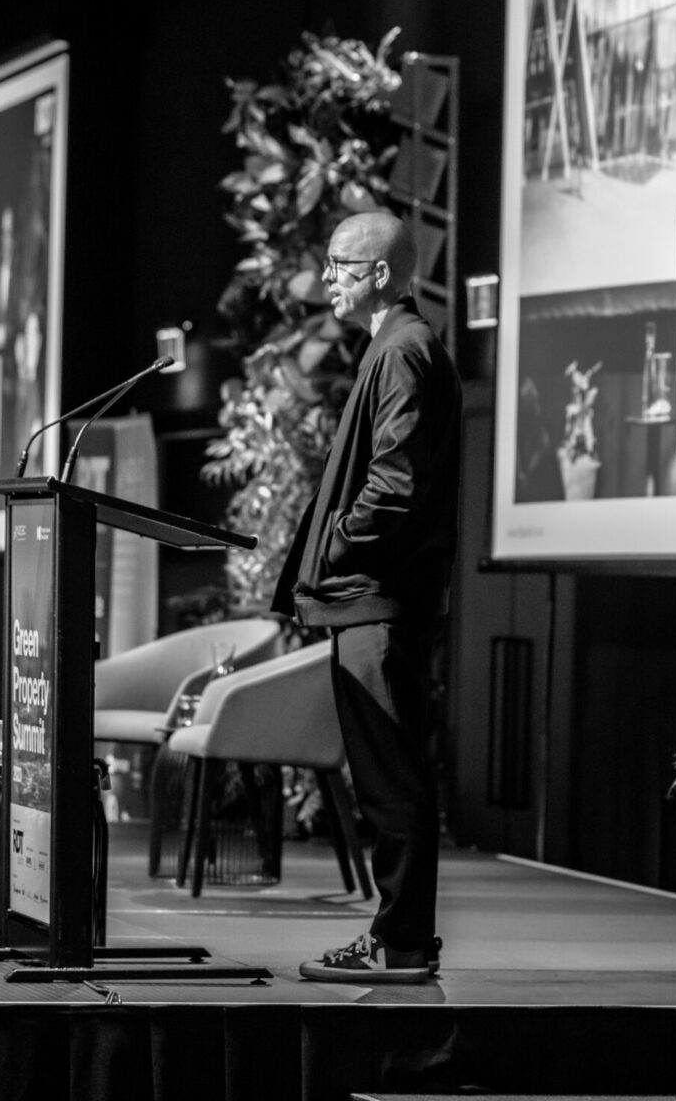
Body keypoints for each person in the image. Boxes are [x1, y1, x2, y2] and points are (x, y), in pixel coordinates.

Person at [273, 210, 462, 985]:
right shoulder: (394, 349)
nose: (326, 280)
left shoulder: (406, 351)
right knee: (387, 777)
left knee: (392, 782)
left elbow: (395, 486)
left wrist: (340, 543)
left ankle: (402, 944)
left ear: (380, 273)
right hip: (369, 601)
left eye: (340, 266)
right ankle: (398, 937)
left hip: (377, 602)